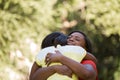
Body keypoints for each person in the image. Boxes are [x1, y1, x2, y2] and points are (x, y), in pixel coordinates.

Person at [29, 31, 98, 80]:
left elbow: (88, 75)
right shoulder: (47, 58)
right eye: (69, 38)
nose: (71, 39)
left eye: (77, 39)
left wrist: (61, 58)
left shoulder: (87, 62)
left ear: (84, 48)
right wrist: (55, 68)